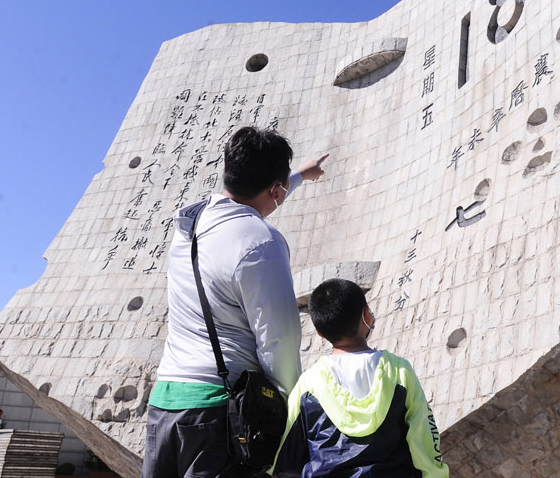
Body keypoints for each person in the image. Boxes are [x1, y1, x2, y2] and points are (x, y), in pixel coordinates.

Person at [142, 126, 328, 478]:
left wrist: (299, 176)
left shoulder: (188, 225)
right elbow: (278, 338)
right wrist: (287, 415)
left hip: (164, 404)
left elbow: (250, 201)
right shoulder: (262, 243)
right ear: (276, 191)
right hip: (217, 412)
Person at [271, 279, 449, 478]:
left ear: (319, 332)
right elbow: (425, 441)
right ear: (366, 315)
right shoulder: (398, 371)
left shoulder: (308, 385)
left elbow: (286, 459)